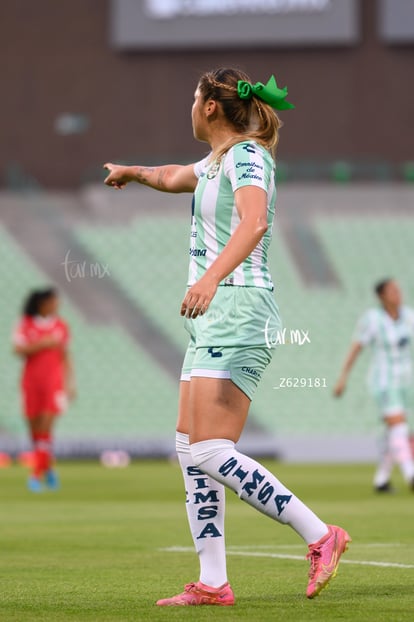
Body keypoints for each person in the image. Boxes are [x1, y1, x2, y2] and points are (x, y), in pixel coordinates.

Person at [104, 67, 350, 606]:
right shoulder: (217, 161)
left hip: (237, 304)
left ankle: (320, 534)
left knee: (213, 447)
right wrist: (133, 171)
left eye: (194, 98)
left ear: (211, 106)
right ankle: (213, 581)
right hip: (217, 312)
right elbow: (173, 176)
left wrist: (210, 278)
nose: (190, 107)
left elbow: (254, 222)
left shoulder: (246, 156)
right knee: (190, 449)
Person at [334, 278, 414, 492]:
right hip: (384, 381)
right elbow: (356, 347)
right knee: (399, 425)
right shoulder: (372, 319)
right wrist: (343, 377)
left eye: (398, 290)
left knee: (394, 432)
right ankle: (410, 474)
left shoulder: (408, 316)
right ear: (381, 296)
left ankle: (382, 480)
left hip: (406, 382)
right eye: (392, 291)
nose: (398, 294)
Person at [12, 287, 76, 492]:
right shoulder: (26, 324)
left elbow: (66, 356)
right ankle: (46, 468)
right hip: (31, 382)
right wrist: (42, 343)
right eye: (53, 301)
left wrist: (69, 383)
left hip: (53, 383)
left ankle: (35, 474)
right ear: (42, 303)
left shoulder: (61, 326)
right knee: (34, 431)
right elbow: (18, 349)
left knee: (46, 427)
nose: (56, 304)